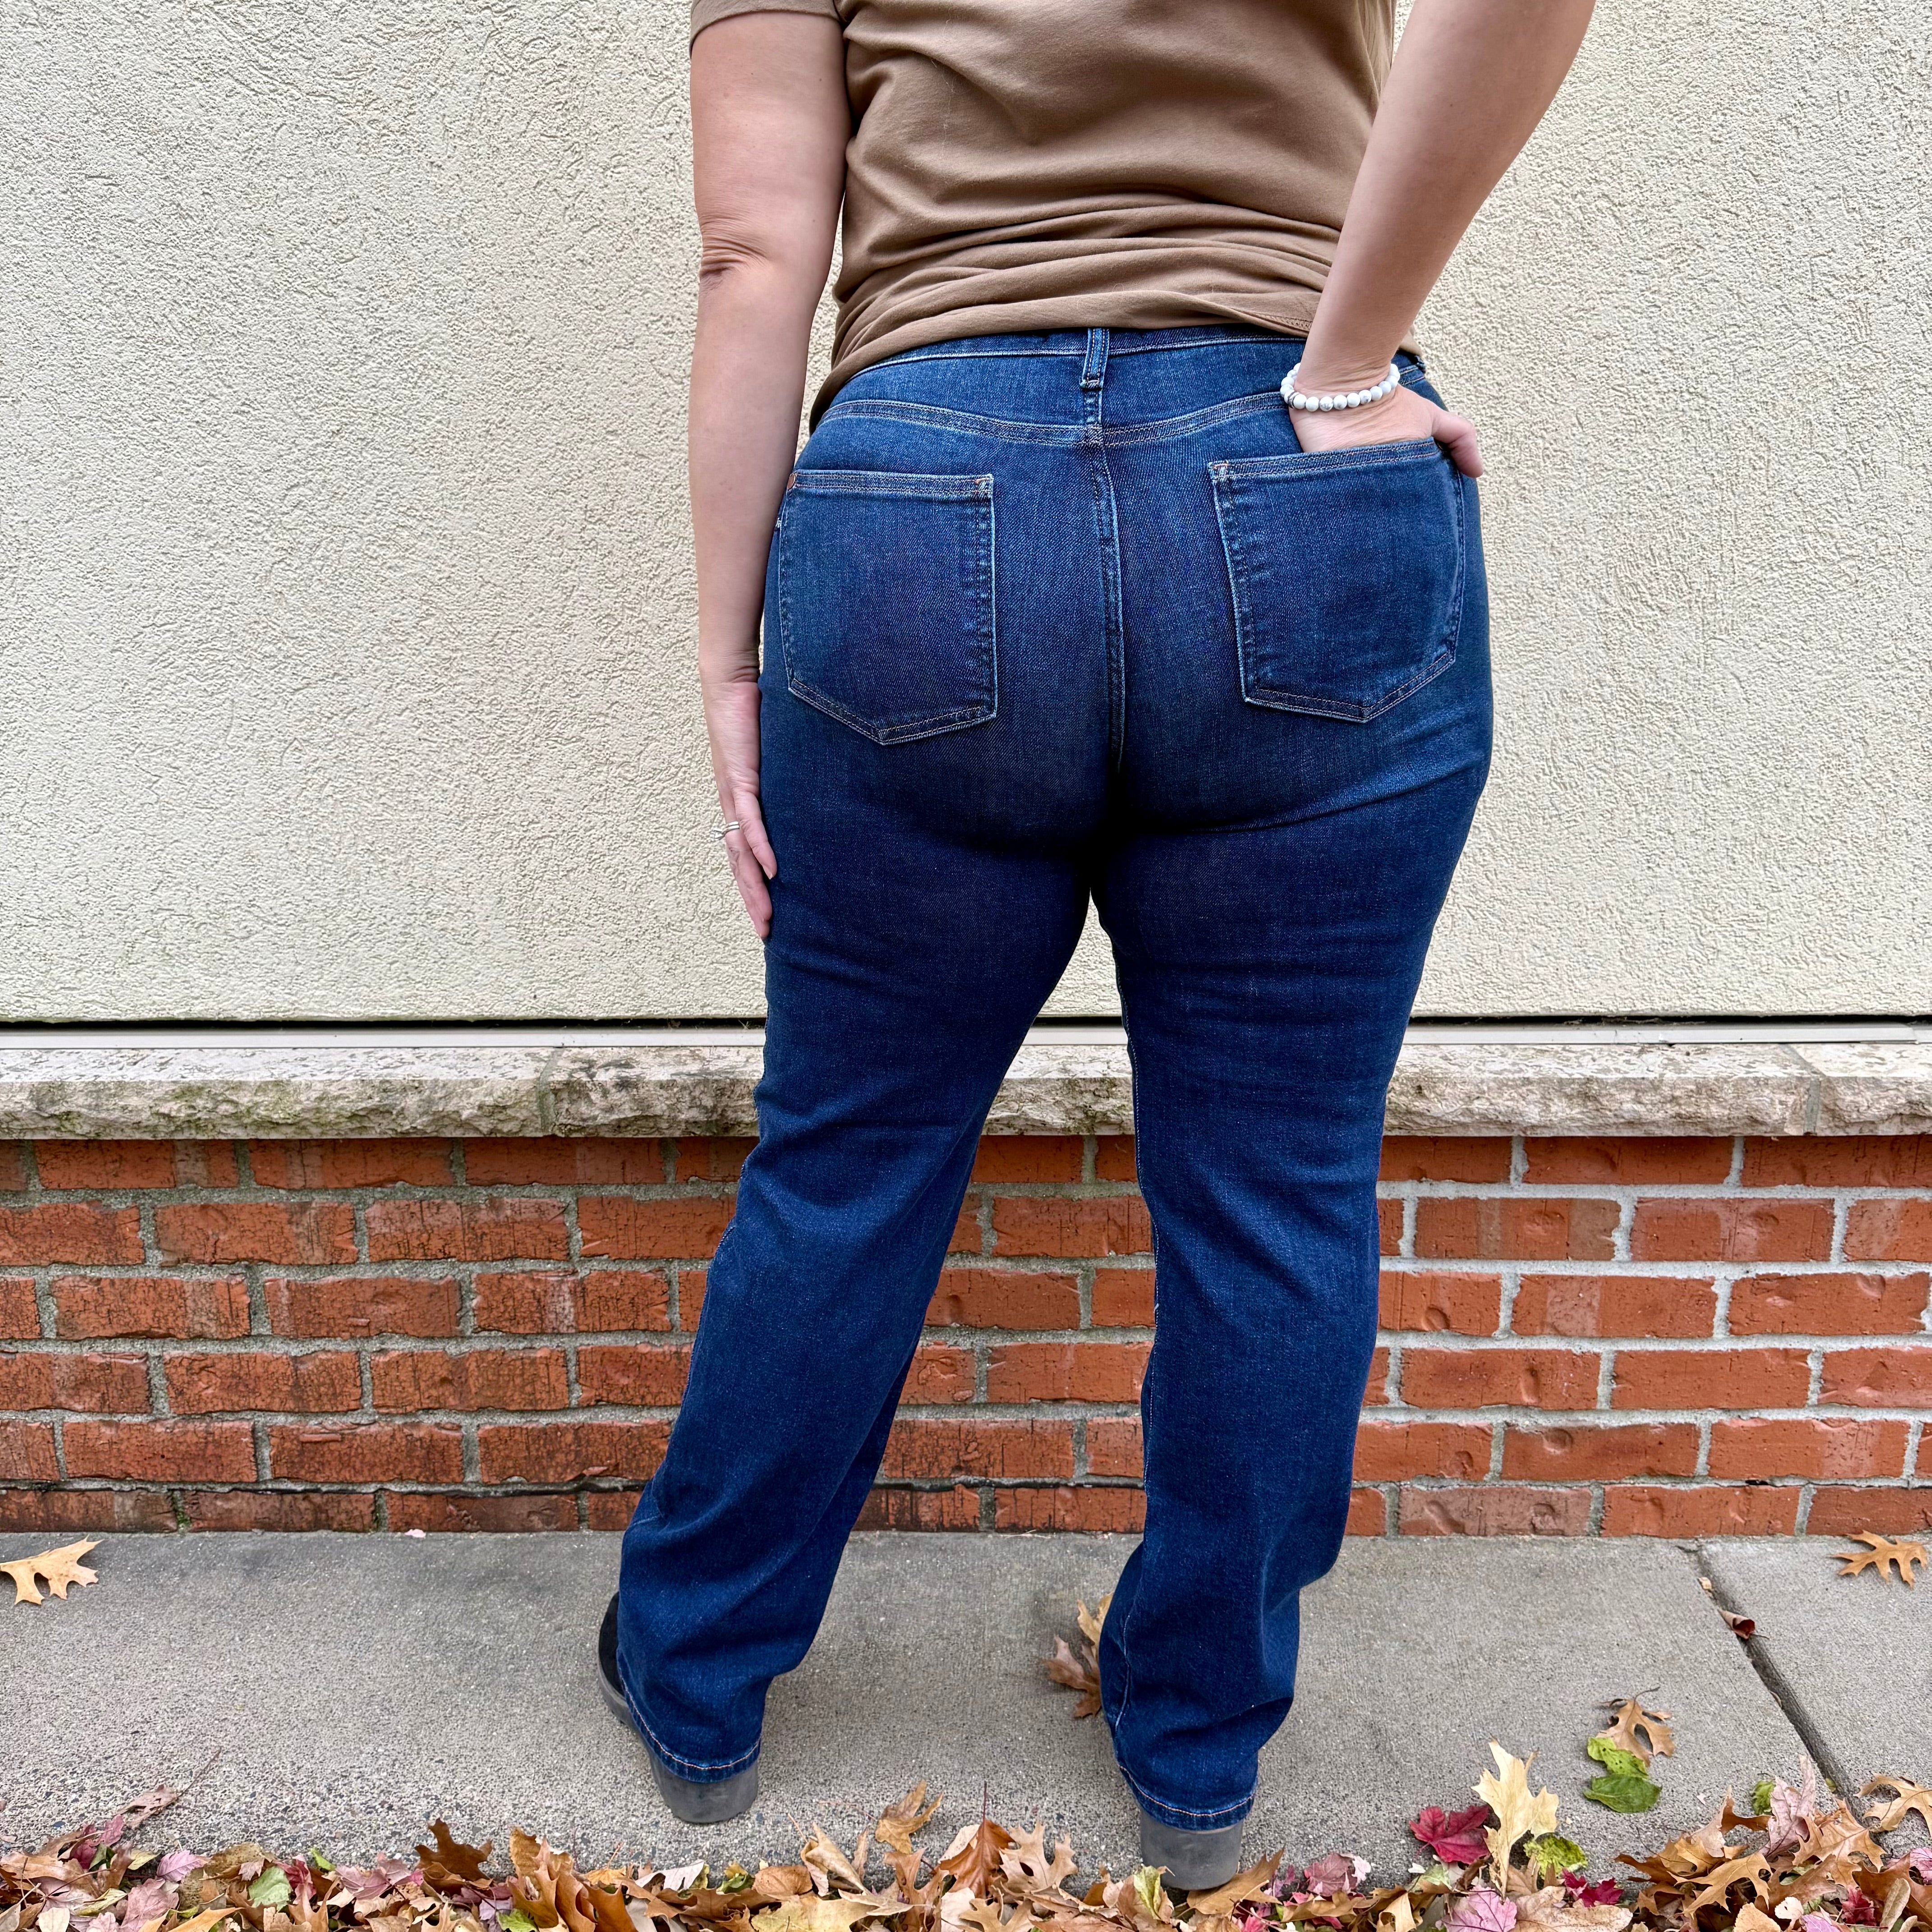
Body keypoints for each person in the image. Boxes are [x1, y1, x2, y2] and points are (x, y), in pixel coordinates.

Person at [598, 0, 1596, 1887]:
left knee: (848, 1161)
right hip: (1298, 469)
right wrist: (1349, 359)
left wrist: (729, 656)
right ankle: (1197, 1752)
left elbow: (754, 253)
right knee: (1278, 1183)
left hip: (916, 491)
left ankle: (697, 1681)